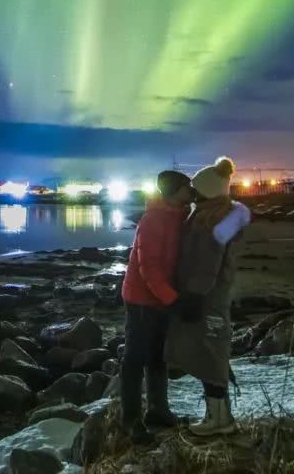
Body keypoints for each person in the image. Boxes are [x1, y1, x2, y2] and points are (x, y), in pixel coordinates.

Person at [165, 156, 251, 436]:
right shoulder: (212, 214)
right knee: (208, 354)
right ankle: (216, 415)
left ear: (207, 191)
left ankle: (220, 419)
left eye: (196, 188)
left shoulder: (212, 221)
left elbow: (207, 264)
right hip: (207, 296)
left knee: (212, 354)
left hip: (207, 299)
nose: (192, 192)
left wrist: (193, 295)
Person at [118, 170, 202, 443]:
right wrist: (174, 299)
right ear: (173, 191)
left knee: (157, 356)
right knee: (134, 358)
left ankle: (158, 410)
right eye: (186, 187)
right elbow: (148, 268)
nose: (191, 191)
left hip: (161, 298)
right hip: (141, 298)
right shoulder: (152, 220)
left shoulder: (179, 216)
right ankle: (129, 420)